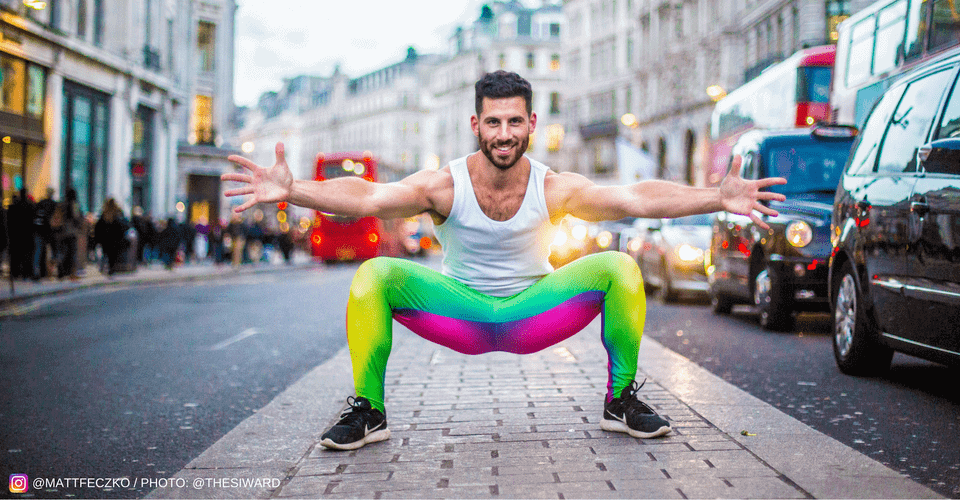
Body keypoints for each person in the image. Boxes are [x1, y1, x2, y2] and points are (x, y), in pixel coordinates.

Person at [222, 71, 786, 451]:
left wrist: (717, 197)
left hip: (532, 315)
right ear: (476, 126)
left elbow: (635, 197)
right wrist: (294, 190)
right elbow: (368, 197)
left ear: (532, 125)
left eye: (515, 122)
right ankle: (369, 410)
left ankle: (620, 400)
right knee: (373, 275)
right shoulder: (445, 184)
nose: (504, 134)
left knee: (620, 268)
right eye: (493, 122)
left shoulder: (554, 186)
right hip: (460, 314)